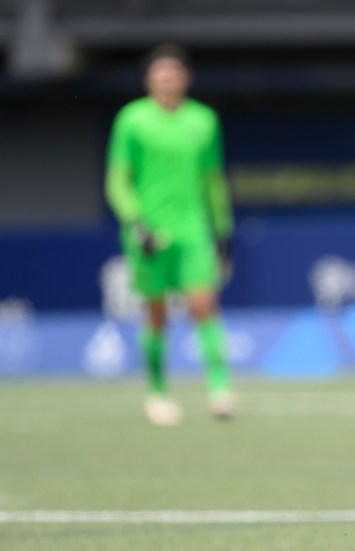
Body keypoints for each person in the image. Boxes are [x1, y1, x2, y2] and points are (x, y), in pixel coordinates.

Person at [105, 44, 236, 426]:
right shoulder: (132, 120)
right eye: (160, 74)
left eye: (174, 73)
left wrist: (223, 231)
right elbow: (117, 181)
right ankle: (158, 393)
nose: (167, 80)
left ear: (186, 79)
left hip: (193, 229)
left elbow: (213, 181)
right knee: (156, 312)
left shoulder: (204, 121)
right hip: (148, 232)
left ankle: (219, 388)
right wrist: (136, 222)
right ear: (149, 80)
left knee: (203, 305)